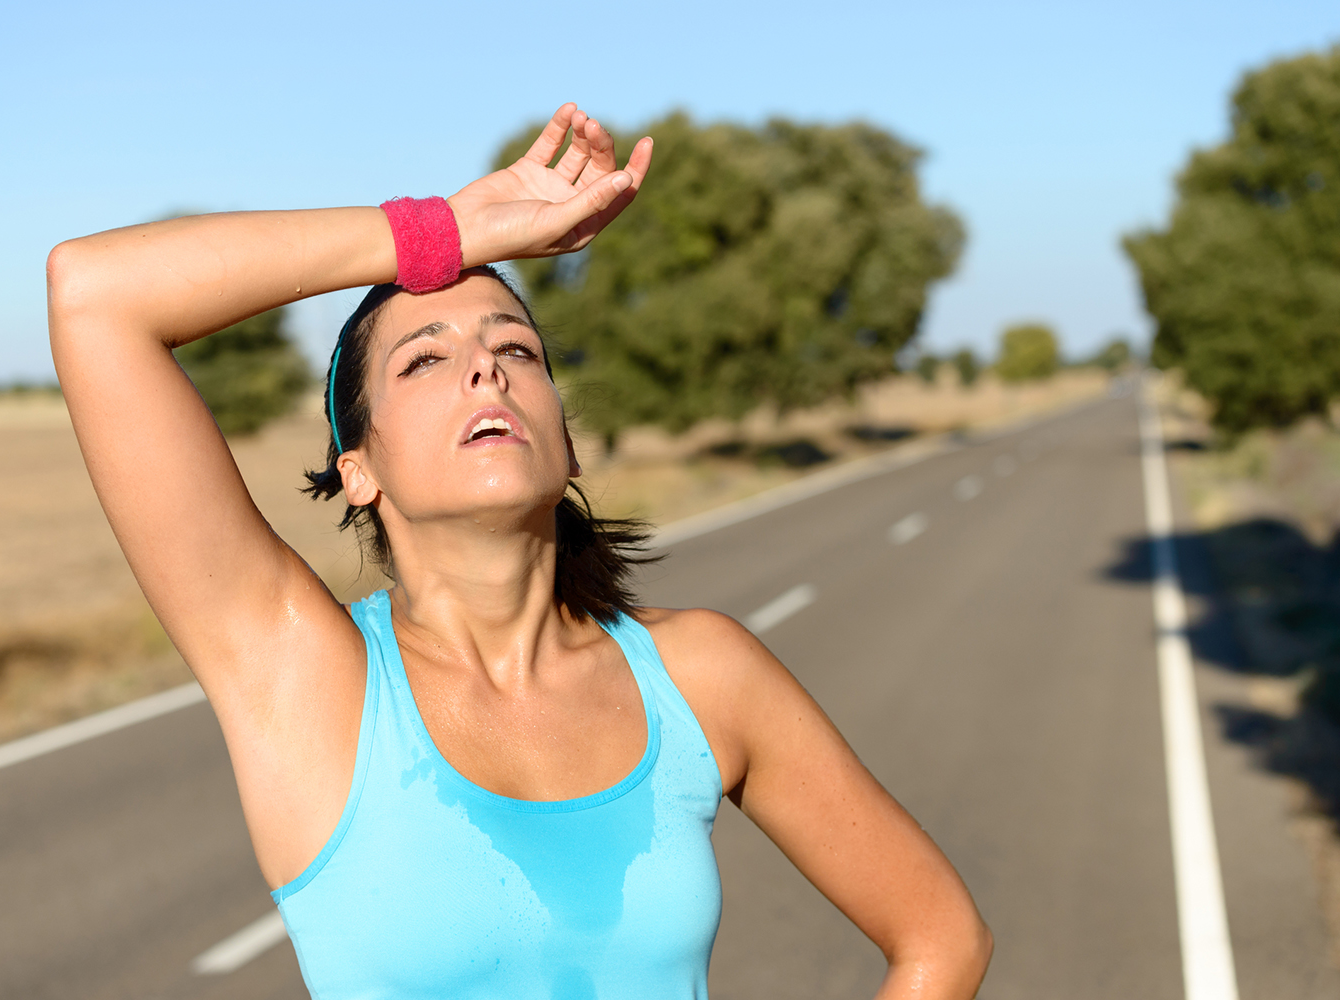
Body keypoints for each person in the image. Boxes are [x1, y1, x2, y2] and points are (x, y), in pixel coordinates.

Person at [48, 103, 992, 999]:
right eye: (425, 358)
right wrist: (445, 233)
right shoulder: (309, 680)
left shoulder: (704, 673)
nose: (484, 365)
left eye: (519, 350)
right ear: (359, 469)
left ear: (566, 442)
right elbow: (95, 294)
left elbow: (940, 936)